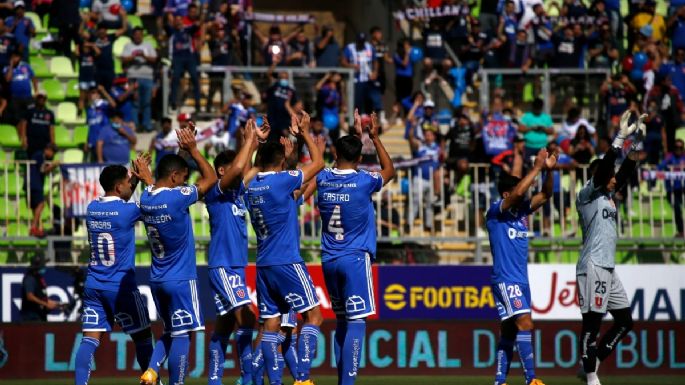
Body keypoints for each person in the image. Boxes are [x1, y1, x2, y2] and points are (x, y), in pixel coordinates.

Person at [246, 111, 324, 385]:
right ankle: (302, 377)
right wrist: (304, 135)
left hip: (263, 264)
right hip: (287, 261)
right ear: (280, 163)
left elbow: (286, 181)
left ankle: (275, 382)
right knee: (314, 316)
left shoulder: (251, 186)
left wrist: (254, 142)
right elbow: (318, 164)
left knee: (270, 326)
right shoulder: (281, 181)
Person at [318, 111, 395, 385]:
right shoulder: (363, 181)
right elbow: (390, 171)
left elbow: (336, 163)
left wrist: (354, 136)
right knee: (357, 321)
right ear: (360, 158)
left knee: (341, 321)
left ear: (334, 153)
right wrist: (372, 137)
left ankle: (342, 380)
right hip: (354, 259)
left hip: (329, 259)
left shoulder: (323, 179)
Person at [138, 123, 218, 385]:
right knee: (184, 334)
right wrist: (194, 150)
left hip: (157, 279)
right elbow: (211, 179)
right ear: (175, 178)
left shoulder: (146, 197)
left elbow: (161, 179)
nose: (185, 182)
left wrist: (179, 151)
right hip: (181, 278)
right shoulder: (177, 197)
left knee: (171, 330)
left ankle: (151, 370)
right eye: (183, 178)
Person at [575, 110, 644, 385]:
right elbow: (607, 168)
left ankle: (592, 362)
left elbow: (626, 170)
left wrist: (637, 141)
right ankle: (591, 377)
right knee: (591, 324)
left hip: (608, 267)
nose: (614, 177)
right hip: (592, 265)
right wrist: (619, 137)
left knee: (625, 321)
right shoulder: (587, 195)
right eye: (608, 175)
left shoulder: (608, 196)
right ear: (597, 176)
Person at [74, 160, 155, 385]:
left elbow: (122, 200)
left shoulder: (92, 208)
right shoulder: (128, 211)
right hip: (121, 287)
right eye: (128, 183)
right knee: (142, 338)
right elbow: (153, 204)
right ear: (119, 187)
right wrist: (146, 179)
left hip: (94, 285)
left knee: (89, 342)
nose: (131, 186)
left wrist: (134, 179)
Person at [487, 147, 556, 385]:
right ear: (506, 194)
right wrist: (535, 167)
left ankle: (499, 381)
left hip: (520, 279)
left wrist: (549, 171)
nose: (525, 194)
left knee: (509, 330)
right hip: (506, 278)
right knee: (525, 322)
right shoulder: (496, 210)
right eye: (519, 190)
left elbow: (546, 195)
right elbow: (518, 193)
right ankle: (532, 380)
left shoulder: (522, 211)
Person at [205, 121, 264, 385]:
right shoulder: (216, 194)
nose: (239, 173)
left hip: (236, 266)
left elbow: (247, 168)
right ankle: (248, 378)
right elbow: (240, 167)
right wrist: (246, 141)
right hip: (223, 265)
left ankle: (215, 380)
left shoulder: (238, 193)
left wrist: (253, 141)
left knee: (224, 326)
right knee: (248, 318)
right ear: (221, 171)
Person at [121, 26, 157, 132]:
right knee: (135, 103)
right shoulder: (128, 46)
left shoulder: (148, 45)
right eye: (136, 34)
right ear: (133, 35)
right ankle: (135, 125)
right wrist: (134, 56)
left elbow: (154, 58)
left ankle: (147, 125)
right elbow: (123, 58)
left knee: (147, 103)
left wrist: (144, 56)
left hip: (147, 77)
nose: (137, 37)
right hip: (133, 77)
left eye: (139, 35)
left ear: (142, 35)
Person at [168, 15, 201, 111]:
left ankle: (197, 103)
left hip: (189, 58)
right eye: (176, 20)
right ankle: (173, 102)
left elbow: (197, 25)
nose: (178, 22)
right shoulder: (171, 31)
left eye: (180, 20)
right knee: (175, 78)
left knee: (195, 78)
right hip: (177, 58)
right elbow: (165, 24)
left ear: (183, 21)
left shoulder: (188, 30)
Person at [24, 143, 58, 237]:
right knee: (41, 204)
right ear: (48, 149)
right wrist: (54, 165)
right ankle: (34, 227)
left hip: (33, 184)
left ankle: (36, 228)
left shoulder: (40, 155)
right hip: (34, 184)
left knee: (35, 208)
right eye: (53, 152)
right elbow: (43, 170)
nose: (52, 155)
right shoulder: (39, 155)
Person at [342, 33, 380, 115]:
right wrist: (351, 66)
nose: (361, 43)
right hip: (356, 80)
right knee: (357, 102)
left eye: (362, 42)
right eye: (359, 41)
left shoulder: (369, 47)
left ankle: (370, 119)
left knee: (371, 101)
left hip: (368, 79)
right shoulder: (350, 48)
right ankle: (358, 119)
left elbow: (375, 61)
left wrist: (375, 72)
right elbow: (343, 61)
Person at [660, 139, 685, 237]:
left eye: (680, 147)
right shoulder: (669, 157)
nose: (678, 149)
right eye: (676, 147)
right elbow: (659, 168)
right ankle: (681, 231)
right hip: (672, 190)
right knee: (677, 209)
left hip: (683, 189)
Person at [3, 50, 37, 125]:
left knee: (30, 116)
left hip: (28, 97)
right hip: (15, 98)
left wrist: (36, 91)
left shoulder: (26, 66)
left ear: (20, 58)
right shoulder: (6, 68)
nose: (15, 59)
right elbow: (8, 79)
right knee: (17, 118)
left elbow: (34, 78)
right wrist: (11, 65)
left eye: (16, 57)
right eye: (13, 57)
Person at [20, 255, 58, 321]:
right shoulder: (30, 278)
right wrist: (46, 304)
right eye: (43, 265)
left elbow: (40, 295)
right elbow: (30, 296)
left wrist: (50, 302)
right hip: (31, 315)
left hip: (40, 314)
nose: (45, 267)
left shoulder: (38, 278)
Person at [85, 86, 117, 162]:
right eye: (90, 93)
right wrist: (87, 141)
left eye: (93, 93)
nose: (91, 95)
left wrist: (103, 91)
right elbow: (90, 126)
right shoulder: (89, 108)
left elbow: (113, 105)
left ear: (99, 95)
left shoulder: (104, 105)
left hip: (104, 142)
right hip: (93, 142)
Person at [76, 33, 100, 113]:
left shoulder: (92, 55)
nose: (86, 48)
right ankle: (80, 113)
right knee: (82, 97)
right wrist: (79, 43)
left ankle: (91, 113)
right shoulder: (81, 56)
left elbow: (99, 52)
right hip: (83, 78)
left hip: (91, 78)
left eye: (87, 47)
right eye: (84, 47)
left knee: (91, 97)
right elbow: (76, 52)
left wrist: (92, 45)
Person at [393, 38, 413, 104]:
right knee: (399, 97)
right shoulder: (396, 55)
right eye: (405, 45)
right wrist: (407, 53)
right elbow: (404, 63)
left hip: (408, 78)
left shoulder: (410, 53)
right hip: (400, 78)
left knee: (408, 97)